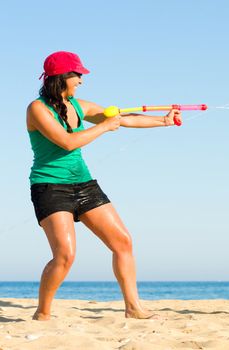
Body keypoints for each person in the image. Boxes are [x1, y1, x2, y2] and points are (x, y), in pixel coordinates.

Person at [27, 51, 182, 320]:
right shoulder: (37, 109)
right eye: (77, 75)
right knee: (64, 255)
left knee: (122, 242)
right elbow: (67, 142)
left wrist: (163, 121)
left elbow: (123, 118)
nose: (81, 81)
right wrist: (104, 127)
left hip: (84, 184)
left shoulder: (80, 105)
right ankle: (43, 313)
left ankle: (133, 308)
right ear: (62, 77)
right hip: (50, 186)